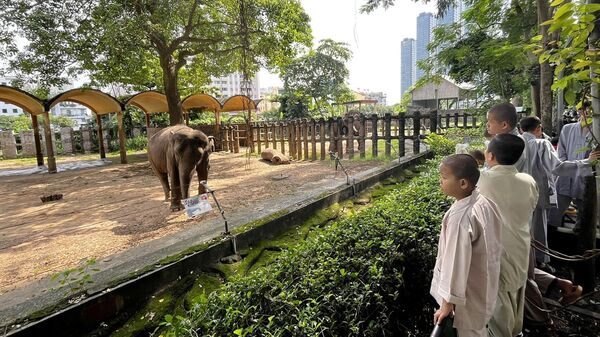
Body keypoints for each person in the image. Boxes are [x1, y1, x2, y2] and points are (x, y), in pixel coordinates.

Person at [430, 154, 503, 337]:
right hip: (483, 287)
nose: (441, 181)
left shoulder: (461, 218)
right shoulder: (485, 202)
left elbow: (455, 262)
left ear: (463, 183)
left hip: (466, 299)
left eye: (445, 177)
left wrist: (447, 303)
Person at [477, 134, 539, 337]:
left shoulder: (483, 179)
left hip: (497, 253)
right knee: (516, 297)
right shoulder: (528, 181)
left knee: (499, 309)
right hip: (521, 248)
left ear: (490, 156)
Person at [548, 111, 595, 231]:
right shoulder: (568, 129)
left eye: (591, 110)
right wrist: (568, 168)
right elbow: (560, 154)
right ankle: (551, 241)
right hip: (565, 177)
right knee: (553, 214)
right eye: (585, 110)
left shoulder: (597, 130)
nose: (588, 113)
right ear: (580, 111)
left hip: (587, 179)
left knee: (585, 218)